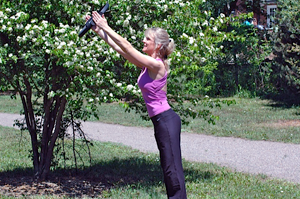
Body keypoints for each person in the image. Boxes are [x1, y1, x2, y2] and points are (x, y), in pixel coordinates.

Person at [86, 11, 187, 199]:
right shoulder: (147, 65)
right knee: (168, 170)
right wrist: (98, 31)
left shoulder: (157, 65)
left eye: (147, 39)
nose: (144, 41)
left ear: (157, 45)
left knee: (173, 171)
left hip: (166, 121)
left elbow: (128, 46)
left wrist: (106, 26)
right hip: (161, 122)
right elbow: (123, 50)